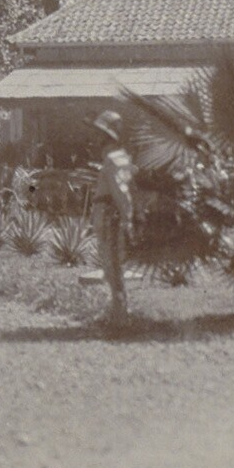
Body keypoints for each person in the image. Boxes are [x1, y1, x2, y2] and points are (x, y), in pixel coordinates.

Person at [91, 110, 136, 326]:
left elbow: (121, 193)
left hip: (111, 220)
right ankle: (118, 315)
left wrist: (127, 219)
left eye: (100, 133)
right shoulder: (116, 159)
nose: (95, 138)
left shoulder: (114, 160)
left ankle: (120, 319)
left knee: (113, 268)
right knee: (111, 269)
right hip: (108, 218)